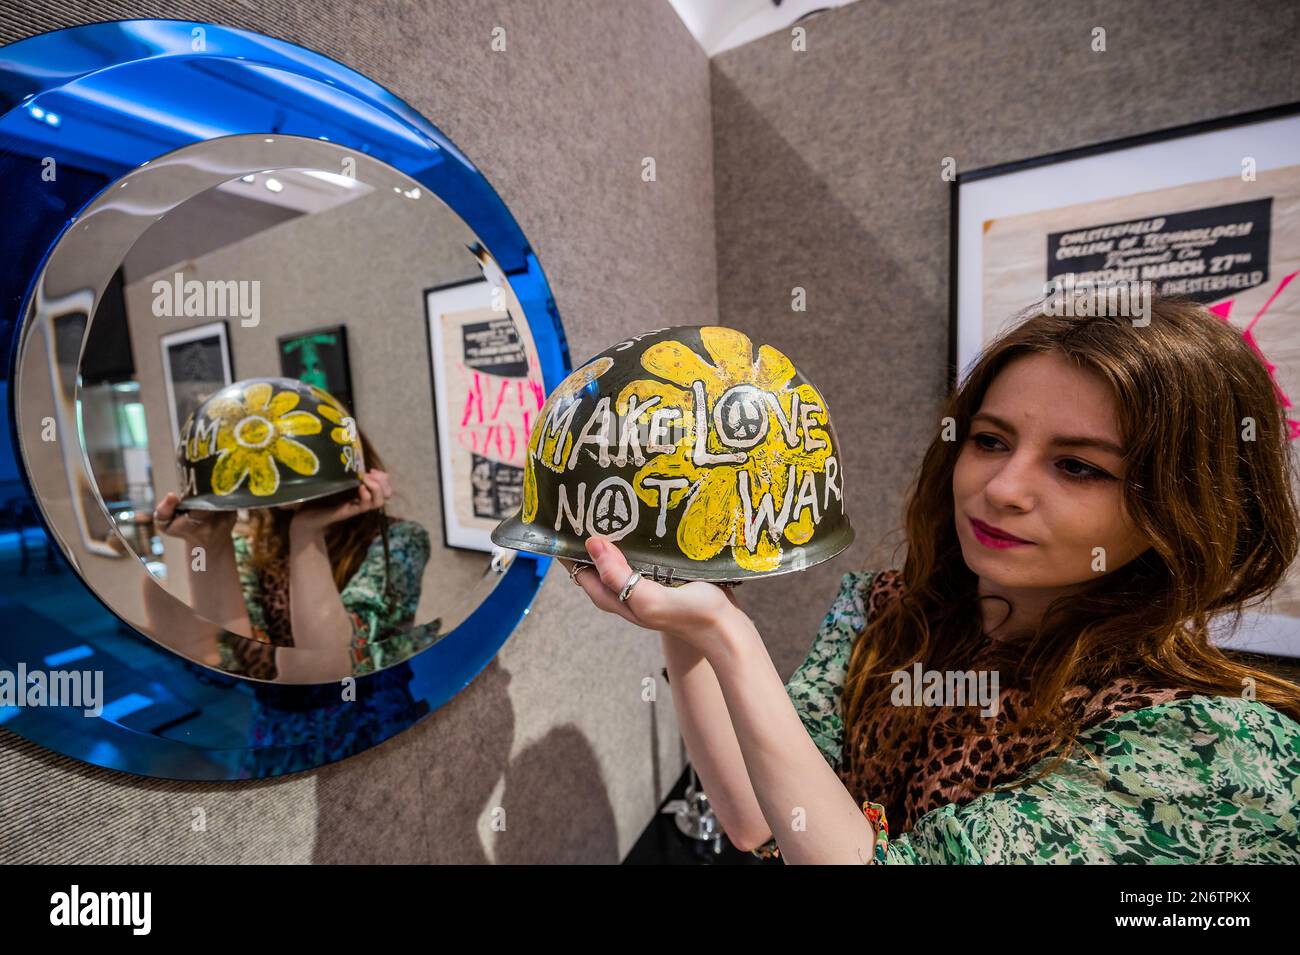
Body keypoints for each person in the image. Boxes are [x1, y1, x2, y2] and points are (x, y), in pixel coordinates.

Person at [562, 291, 1300, 864]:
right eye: (989, 439)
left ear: (1181, 506)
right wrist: (695, 618)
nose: (1004, 486)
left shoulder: (1206, 748)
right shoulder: (887, 615)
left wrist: (727, 634)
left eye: (1078, 466)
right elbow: (763, 821)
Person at [152, 427, 433, 683]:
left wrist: (307, 533)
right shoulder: (256, 546)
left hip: (373, 718)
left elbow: (329, 669)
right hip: (275, 726)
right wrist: (207, 542)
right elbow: (232, 665)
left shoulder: (399, 541)